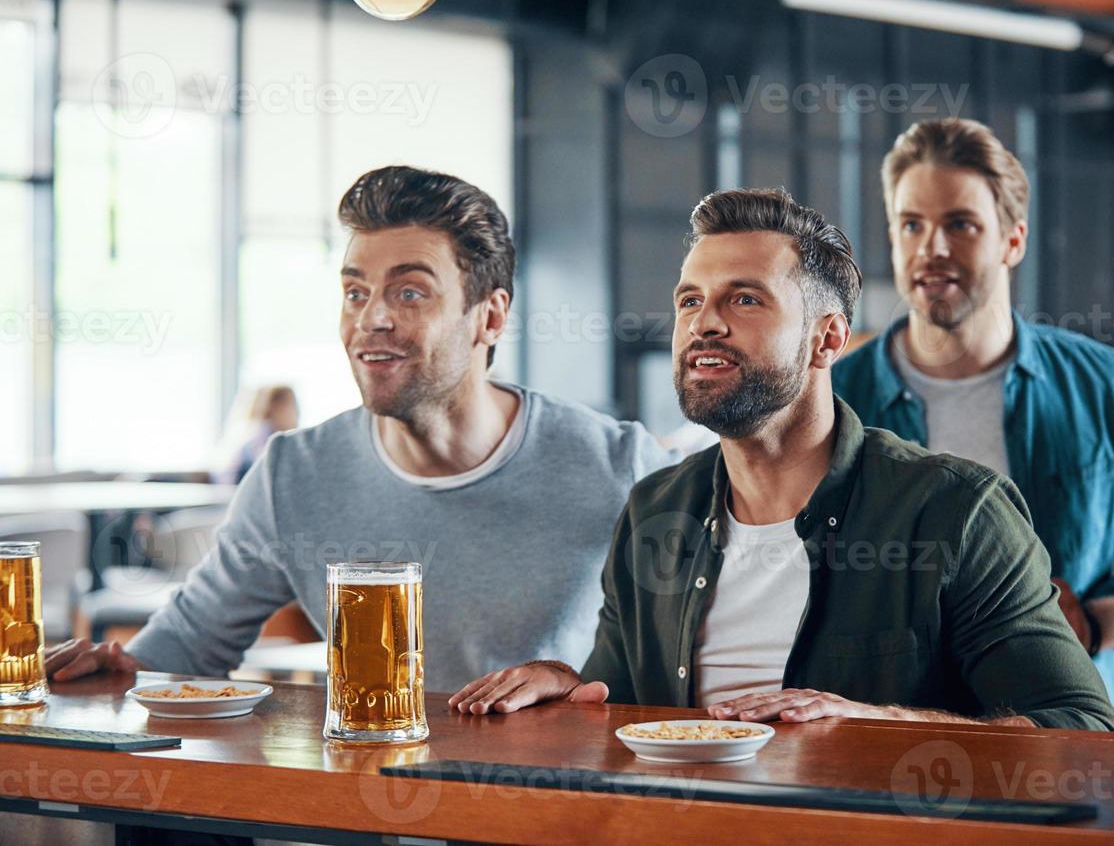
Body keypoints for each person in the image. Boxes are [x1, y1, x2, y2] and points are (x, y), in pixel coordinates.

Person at [449, 188, 1114, 731]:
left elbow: (1083, 731)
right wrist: (567, 691)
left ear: (825, 338)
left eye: (744, 298)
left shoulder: (955, 511)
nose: (704, 322)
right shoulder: (656, 512)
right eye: (690, 300)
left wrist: (879, 724)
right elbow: (621, 709)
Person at [45, 166, 677, 691]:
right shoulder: (295, 476)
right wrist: (116, 668)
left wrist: (579, 683)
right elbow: (187, 645)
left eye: (409, 293)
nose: (370, 319)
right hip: (366, 806)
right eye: (355, 293)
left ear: (489, 317)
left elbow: (685, 668)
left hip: (556, 814)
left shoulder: (618, 466)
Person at [831, 118, 1114, 728]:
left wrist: (1093, 620)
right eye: (912, 225)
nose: (932, 247)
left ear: (1013, 239)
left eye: (960, 224)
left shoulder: (1104, 385)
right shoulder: (837, 396)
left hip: (1069, 736)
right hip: (891, 738)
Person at [211, 384, 299, 484]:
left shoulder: (249, 429)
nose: (297, 412)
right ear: (273, 407)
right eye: (291, 405)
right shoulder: (261, 432)